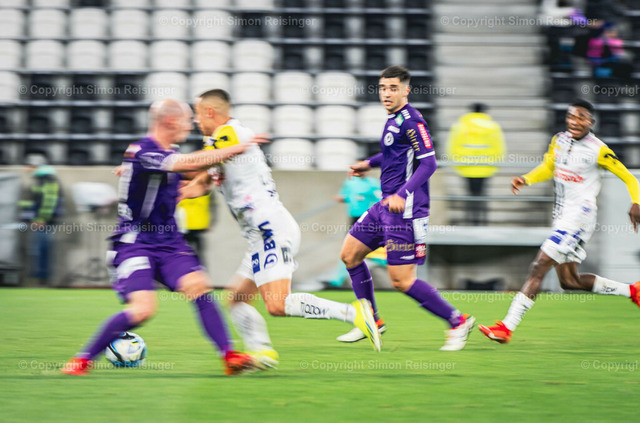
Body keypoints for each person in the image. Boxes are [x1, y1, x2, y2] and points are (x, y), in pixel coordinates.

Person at [62, 99, 264, 376]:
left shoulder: (168, 153)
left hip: (169, 242)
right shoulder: (143, 151)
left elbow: (193, 171)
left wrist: (217, 167)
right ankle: (82, 361)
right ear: (170, 121)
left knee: (199, 287)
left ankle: (230, 357)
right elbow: (188, 163)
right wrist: (236, 148)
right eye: (186, 121)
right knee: (143, 310)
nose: (190, 126)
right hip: (135, 243)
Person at [180, 89, 381, 366]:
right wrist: (178, 193)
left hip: (270, 229)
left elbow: (194, 166)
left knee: (278, 304)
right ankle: (263, 352)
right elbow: (201, 182)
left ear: (210, 112)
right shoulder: (217, 144)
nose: (195, 120)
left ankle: (353, 312)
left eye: (196, 114)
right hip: (260, 233)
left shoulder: (229, 133)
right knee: (237, 300)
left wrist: (154, 163)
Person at [336, 66, 475, 351]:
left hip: (405, 210)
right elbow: (393, 153)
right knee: (349, 255)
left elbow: (429, 163)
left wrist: (402, 193)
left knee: (402, 281)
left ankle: (458, 321)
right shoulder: (394, 119)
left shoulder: (412, 121)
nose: (386, 94)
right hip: (384, 205)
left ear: (406, 91)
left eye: (393, 88)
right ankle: (372, 321)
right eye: (382, 88)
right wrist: (369, 163)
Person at [479, 100, 640, 344]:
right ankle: (632, 290)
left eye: (581, 118)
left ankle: (506, 327)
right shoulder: (559, 140)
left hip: (579, 217)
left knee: (539, 265)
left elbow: (629, 177)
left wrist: (636, 202)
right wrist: (527, 179)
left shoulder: (598, 149)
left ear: (591, 122)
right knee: (569, 281)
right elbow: (549, 167)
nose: (575, 122)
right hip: (562, 216)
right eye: (571, 116)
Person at [446, 103, 506, 225]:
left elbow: (452, 146)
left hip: (465, 167)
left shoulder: (460, 126)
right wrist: (495, 164)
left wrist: (456, 164)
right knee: (482, 194)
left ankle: (470, 221)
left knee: (470, 194)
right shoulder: (493, 126)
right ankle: (482, 221)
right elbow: (499, 147)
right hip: (486, 167)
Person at [325, 172, 382, 288]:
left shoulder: (373, 183)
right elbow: (345, 196)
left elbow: (381, 199)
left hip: (367, 219)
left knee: (362, 250)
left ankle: (337, 281)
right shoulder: (350, 182)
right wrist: (342, 198)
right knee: (349, 250)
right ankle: (337, 281)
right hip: (354, 219)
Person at [23, 161, 62, 284]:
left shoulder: (48, 183)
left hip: (44, 223)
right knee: (38, 250)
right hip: (39, 222)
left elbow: (49, 203)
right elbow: (32, 203)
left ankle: (42, 276)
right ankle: (40, 276)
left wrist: (41, 220)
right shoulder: (42, 182)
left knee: (42, 249)